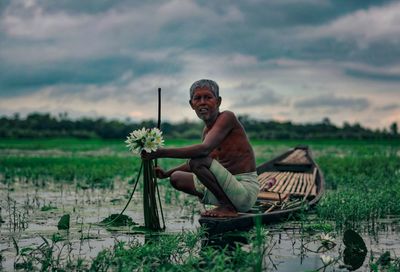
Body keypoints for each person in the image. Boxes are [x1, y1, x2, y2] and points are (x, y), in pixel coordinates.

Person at [141, 79, 259, 217]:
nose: (202, 102)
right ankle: (225, 204)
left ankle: (227, 207)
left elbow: (203, 151)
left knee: (198, 161)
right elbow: (199, 159)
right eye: (197, 98)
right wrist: (166, 173)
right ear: (192, 104)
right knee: (176, 177)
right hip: (227, 191)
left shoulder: (227, 117)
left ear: (218, 101)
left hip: (244, 193)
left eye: (208, 97)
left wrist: (161, 153)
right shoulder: (206, 131)